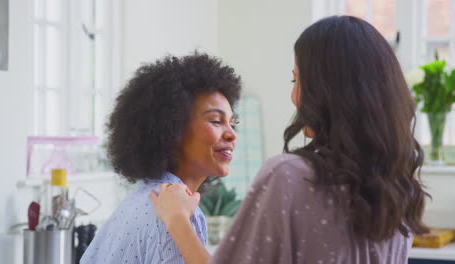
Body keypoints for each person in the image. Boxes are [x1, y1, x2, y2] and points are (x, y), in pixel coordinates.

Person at [150, 16, 430, 264]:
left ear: (326, 91)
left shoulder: (289, 176)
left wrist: (176, 219)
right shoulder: (399, 189)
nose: (294, 96)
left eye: (297, 81)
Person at [80, 52, 241, 264]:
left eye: (233, 123)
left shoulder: (141, 198)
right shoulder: (175, 214)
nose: (232, 134)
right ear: (173, 130)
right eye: (215, 121)